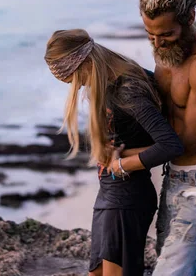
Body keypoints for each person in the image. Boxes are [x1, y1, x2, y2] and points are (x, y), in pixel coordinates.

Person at [108, 0, 196, 276]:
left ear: (190, 18)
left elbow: (183, 142)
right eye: (150, 34)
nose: (158, 43)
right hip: (173, 179)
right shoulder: (165, 57)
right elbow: (160, 118)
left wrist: (124, 160)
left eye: (166, 34)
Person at [44, 29, 184, 276]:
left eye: (75, 80)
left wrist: (122, 164)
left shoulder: (127, 89)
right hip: (110, 195)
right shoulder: (113, 83)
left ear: (86, 63)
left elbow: (171, 145)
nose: (77, 89)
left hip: (126, 199)